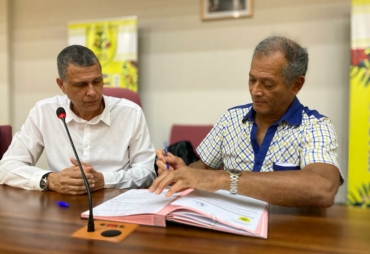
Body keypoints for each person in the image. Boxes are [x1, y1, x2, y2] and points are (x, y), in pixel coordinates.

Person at [151, 36, 343, 207]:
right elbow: (205, 168)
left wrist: (224, 179)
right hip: (231, 228)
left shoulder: (315, 126)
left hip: (288, 234)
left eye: (267, 84)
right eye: (252, 80)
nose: (255, 91)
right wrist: (183, 173)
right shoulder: (231, 119)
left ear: (296, 85)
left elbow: (322, 188)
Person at [0, 45, 156, 195]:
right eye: (81, 85)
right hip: (62, 205)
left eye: (97, 81)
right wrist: (51, 179)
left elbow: (147, 172)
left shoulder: (130, 113)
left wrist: (103, 180)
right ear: (62, 85)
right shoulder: (45, 111)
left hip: (116, 202)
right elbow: (6, 167)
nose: (92, 92)